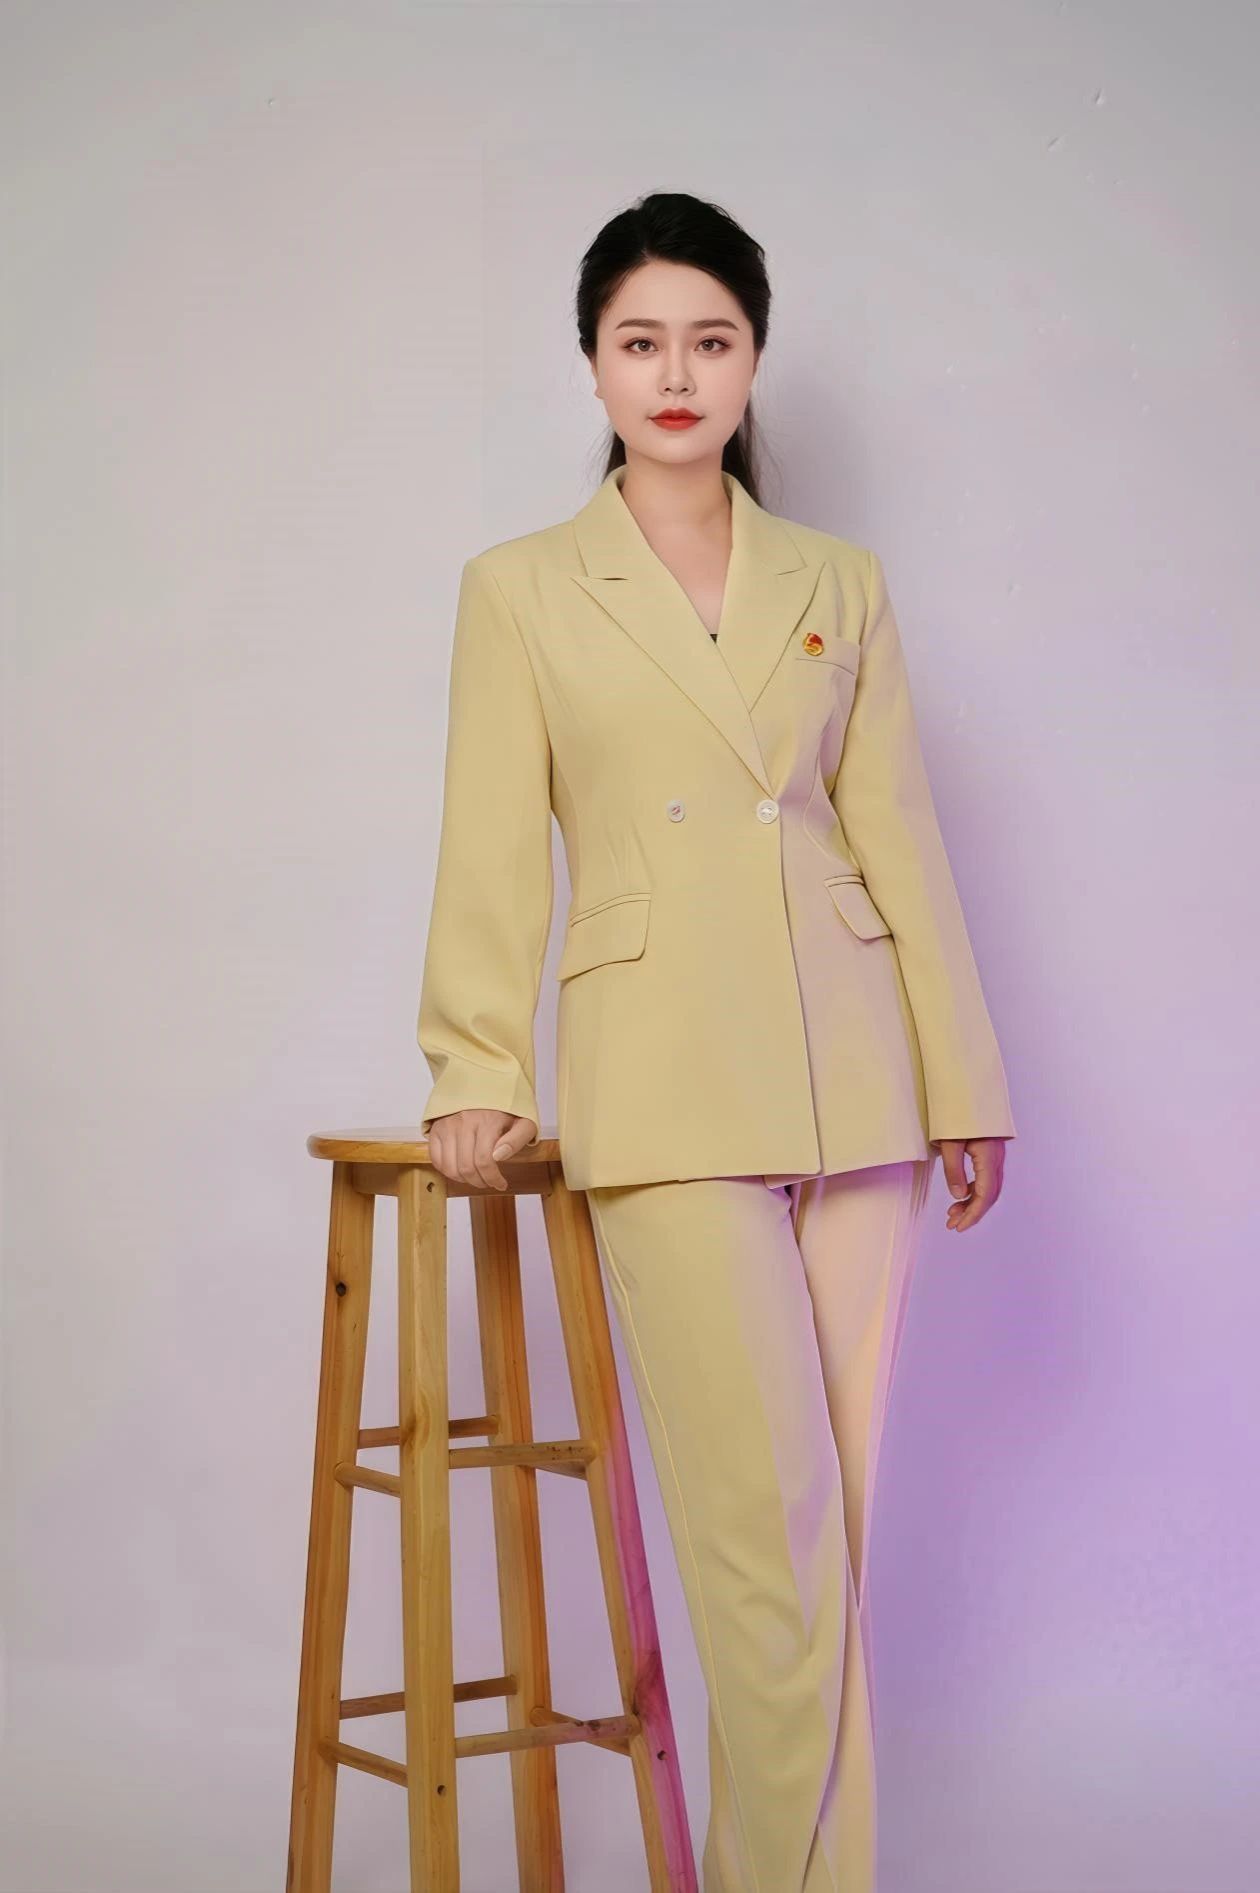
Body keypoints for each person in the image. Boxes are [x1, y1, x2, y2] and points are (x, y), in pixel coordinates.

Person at [416, 190, 1016, 1893]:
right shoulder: (522, 590)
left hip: (859, 1080)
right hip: (666, 1083)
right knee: (770, 1546)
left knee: (829, 1548)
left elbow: (899, 837)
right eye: (641, 341)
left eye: (711, 340)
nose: (676, 374)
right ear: (594, 363)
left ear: (753, 361)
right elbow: (489, 846)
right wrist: (477, 1069)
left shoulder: (839, 581)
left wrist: (965, 1080)